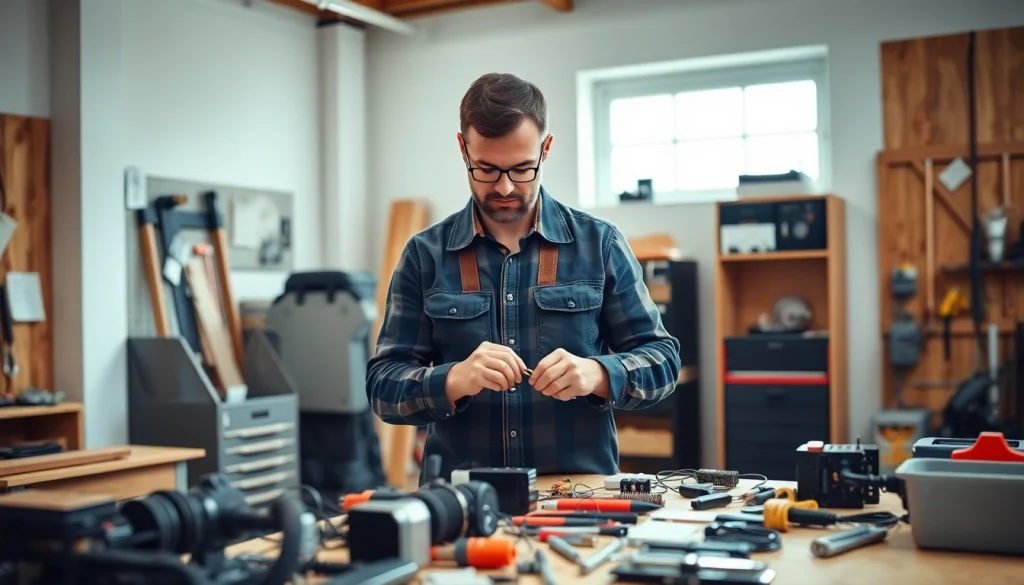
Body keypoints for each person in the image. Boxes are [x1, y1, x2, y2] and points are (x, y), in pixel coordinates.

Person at [366, 72, 682, 484]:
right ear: (463, 149)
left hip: (577, 498)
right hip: (464, 499)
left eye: (522, 169)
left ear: (546, 149)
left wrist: (599, 374)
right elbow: (383, 387)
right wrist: (454, 379)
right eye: (486, 169)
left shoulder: (599, 244)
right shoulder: (424, 256)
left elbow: (663, 362)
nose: (504, 187)